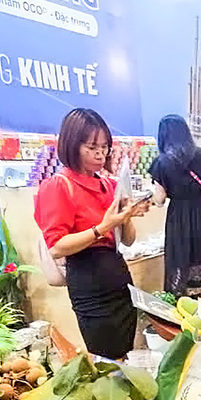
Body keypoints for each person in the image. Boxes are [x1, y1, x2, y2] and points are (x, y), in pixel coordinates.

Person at [35, 108, 148, 359]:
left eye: (105, 147)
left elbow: (128, 240)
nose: (100, 154)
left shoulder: (108, 184)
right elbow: (57, 246)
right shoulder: (59, 186)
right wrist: (103, 227)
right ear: (73, 145)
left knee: (126, 354)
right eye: (92, 147)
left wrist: (126, 216)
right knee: (106, 359)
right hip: (89, 283)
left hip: (118, 276)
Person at [149, 114, 201, 297]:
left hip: (179, 218)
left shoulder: (162, 162)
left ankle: (182, 303)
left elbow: (159, 199)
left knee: (181, 258)